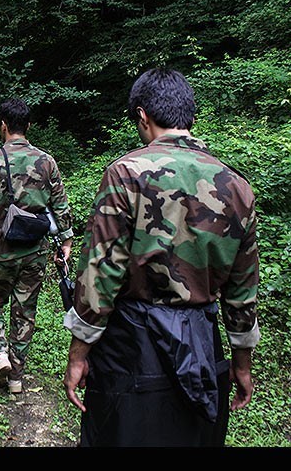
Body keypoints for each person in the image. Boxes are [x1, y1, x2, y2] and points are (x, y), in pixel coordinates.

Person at [62, 68, 261, 447]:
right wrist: (241, 362)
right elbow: (242, 288)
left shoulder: (125, 174)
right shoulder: (236, 185)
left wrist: (78, 354)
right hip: (203, 345)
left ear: (142, 116)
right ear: (190, 116)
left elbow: (101, 273)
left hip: (132, 346)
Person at [0, 99, 74, 394]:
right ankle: (16, 377)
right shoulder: (47, 161)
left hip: (0, 249)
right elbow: (60, 205)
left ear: (3, 125)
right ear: (28, 126)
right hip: (34, 252)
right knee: (25, 311)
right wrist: (66, 240)